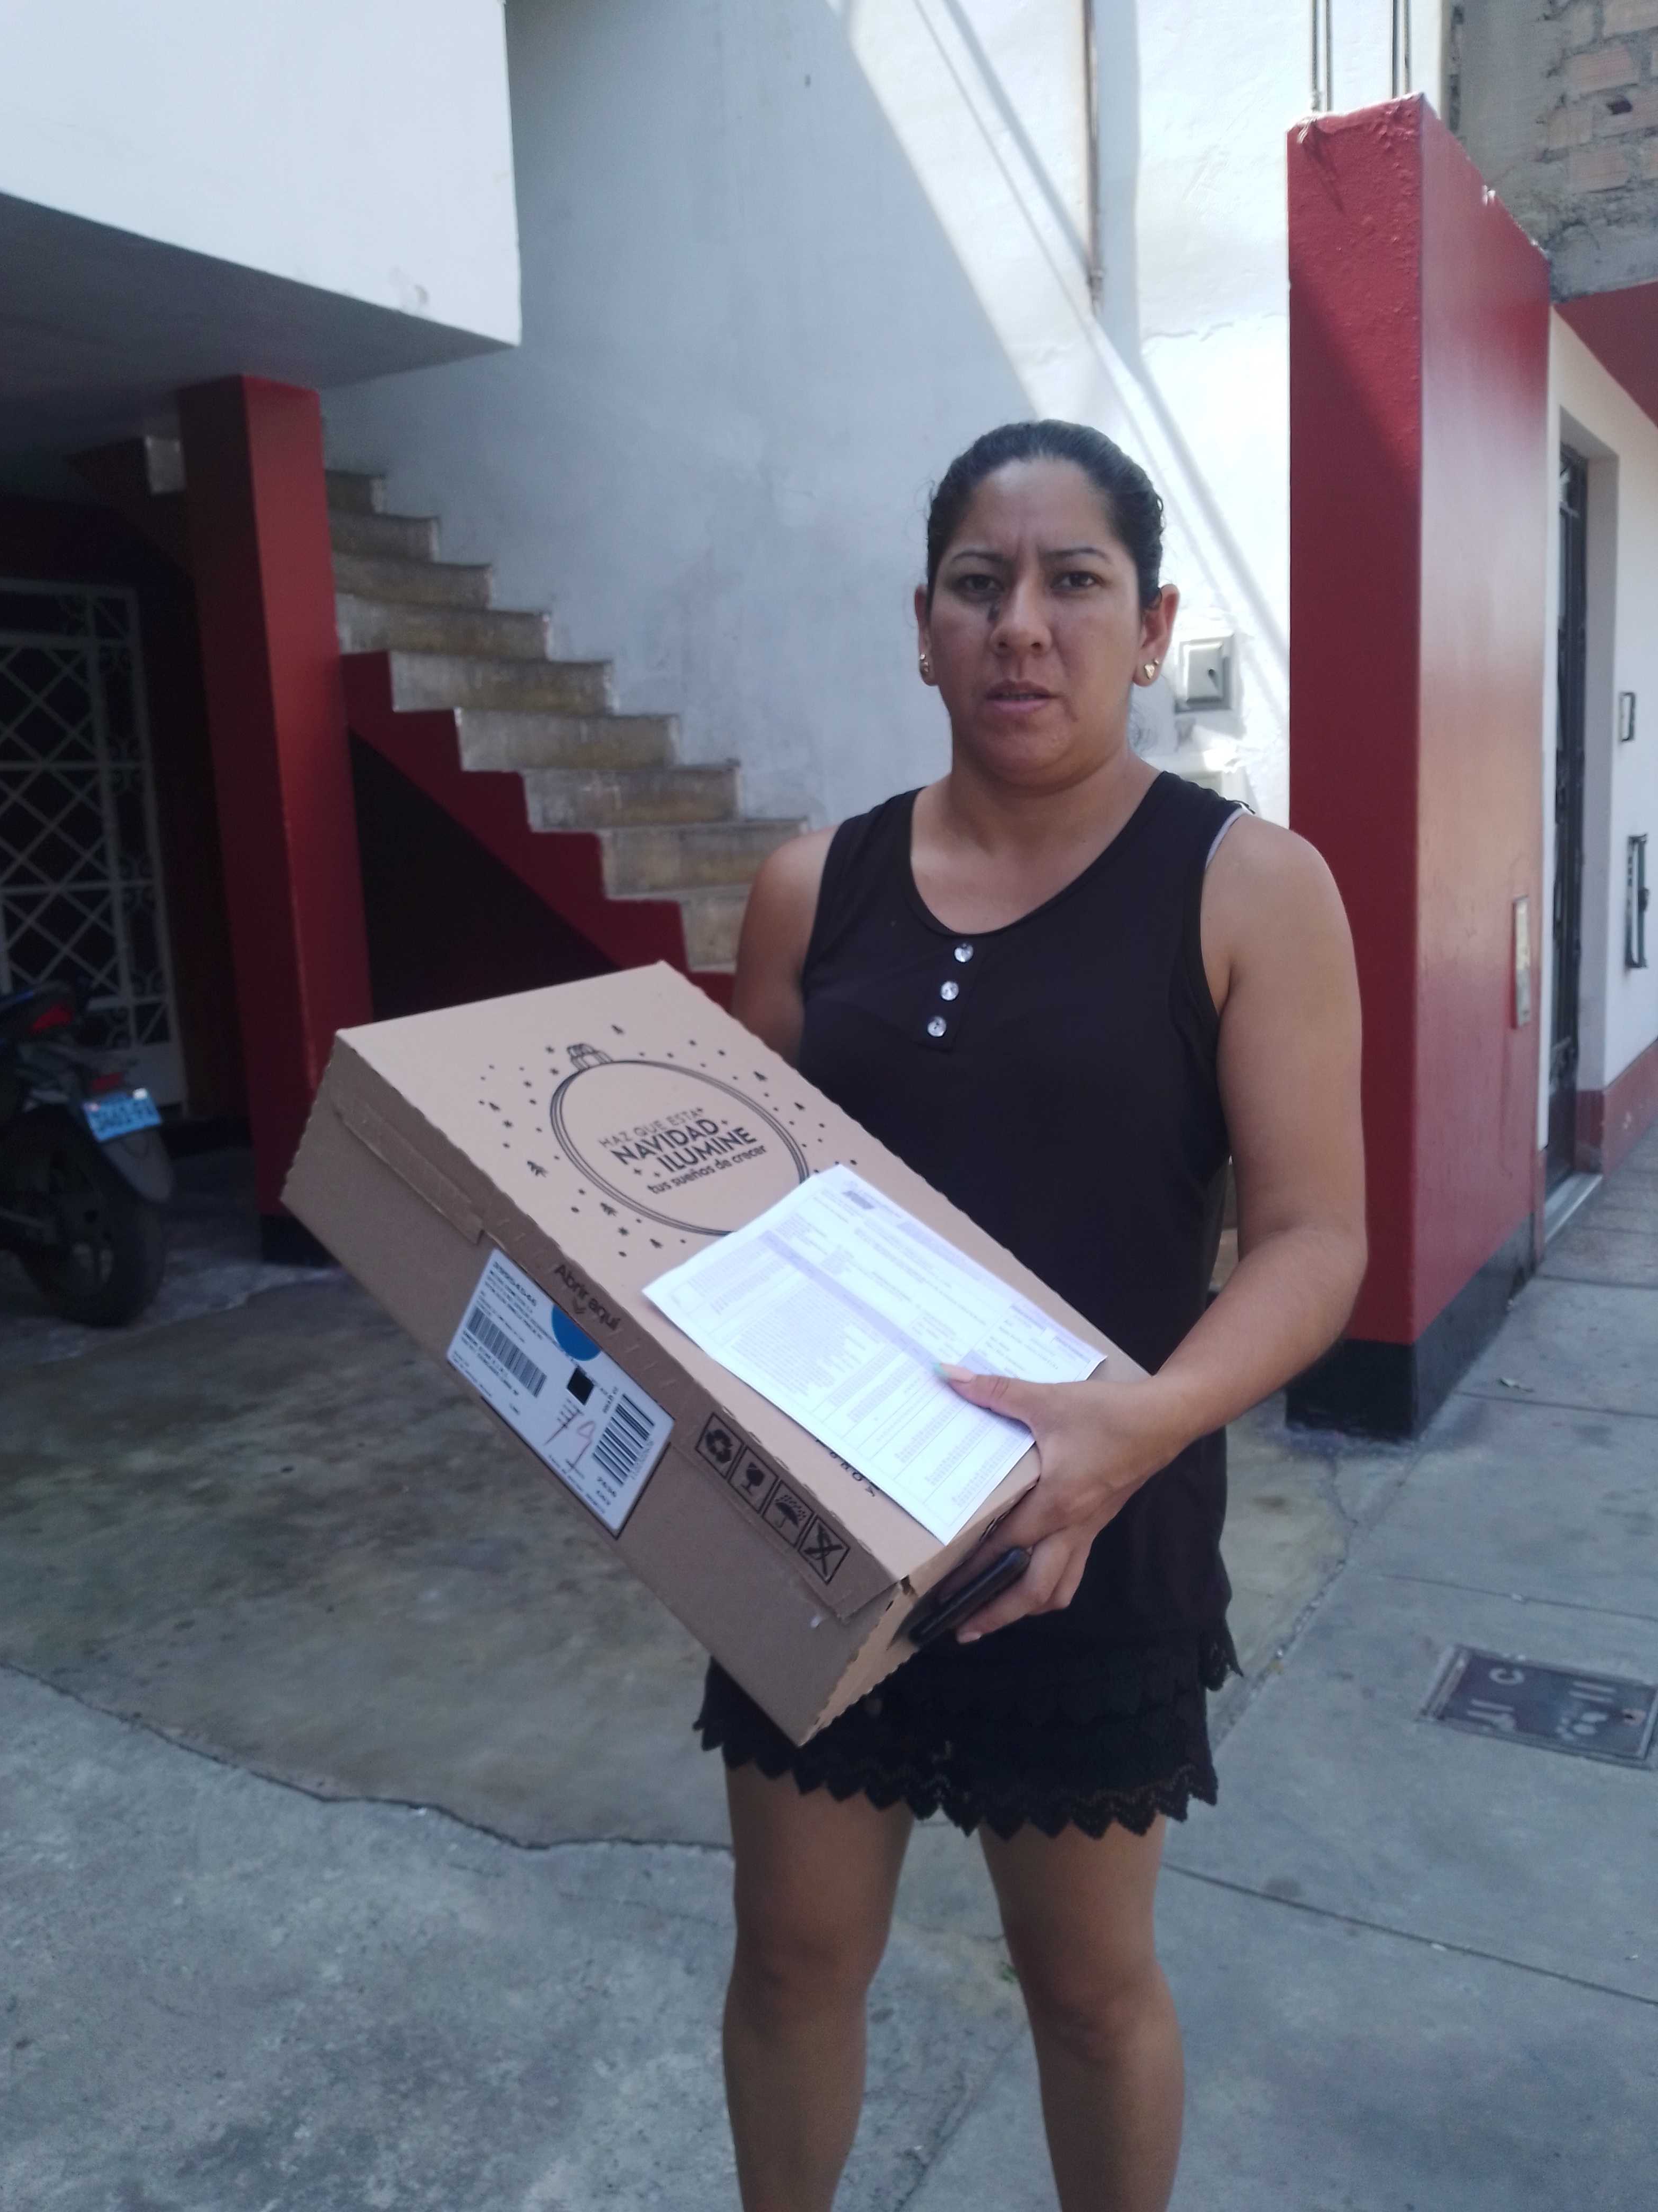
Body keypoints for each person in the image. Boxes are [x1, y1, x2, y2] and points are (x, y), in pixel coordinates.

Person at [699, 419, 1367, 2212]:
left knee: (1085, 1993)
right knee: (791, 1959)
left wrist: (1137, 1428)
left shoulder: (1249, 886)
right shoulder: (808, 888)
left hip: (1092, 1532)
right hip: (816, 1524)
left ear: (1149, 631)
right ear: (921, 629)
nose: (1020, 624)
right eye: (977, 584)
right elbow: (739, 1212)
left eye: (1075, 583)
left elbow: (1316, 1240)